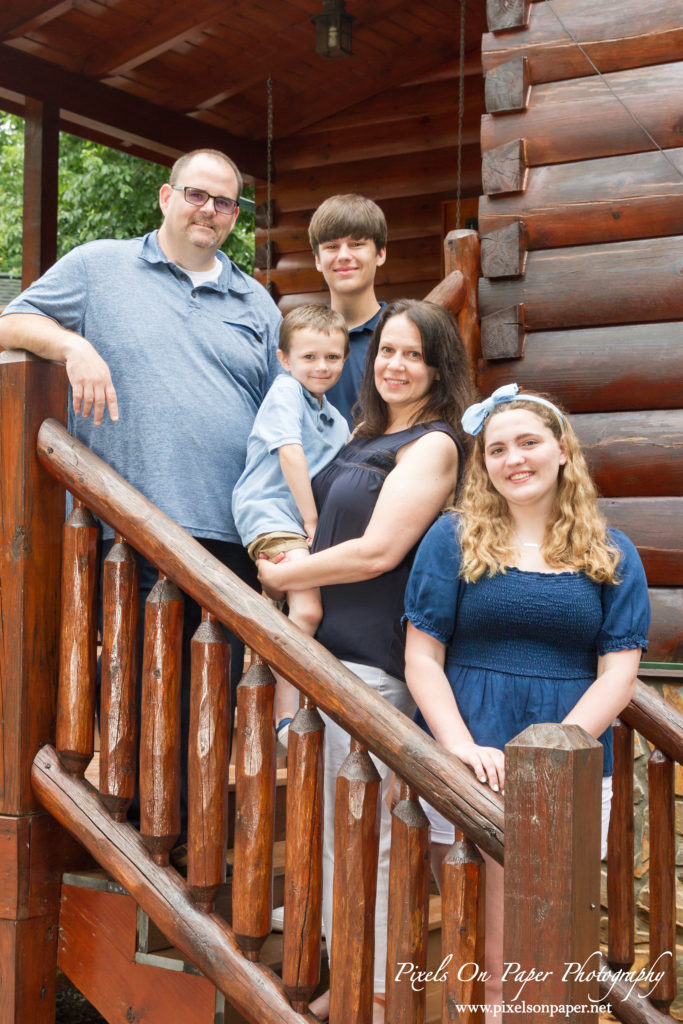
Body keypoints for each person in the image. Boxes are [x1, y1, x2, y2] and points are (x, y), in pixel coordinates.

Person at [0, 148, 283, 825]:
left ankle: (184, 848)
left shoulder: (255, 301)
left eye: (223, 202)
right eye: (196, 195)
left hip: (226, 541)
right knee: (128, 694)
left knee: (205, 708)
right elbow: (9, 322)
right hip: (118, 533)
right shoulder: (100, 267)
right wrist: (72, 346)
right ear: (165, 197)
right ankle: (132, 837)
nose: (208, 210)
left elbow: (280, 420)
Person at [403, 383, 650, 1020]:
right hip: (470, 759)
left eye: (530, 443)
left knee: (546, 948)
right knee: (482, 946)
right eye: (497, 450)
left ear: (562, 450)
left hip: (569, 764)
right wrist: (459, 745)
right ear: (483, 465)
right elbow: (422, 658)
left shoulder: (612, 552)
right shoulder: (451, 538)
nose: (515, 459)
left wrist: (553, 753)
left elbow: (618, 675)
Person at [257, 299, 474, 1022]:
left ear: (439, 366)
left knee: (369, 842)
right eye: (385, 350)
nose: (395, 365)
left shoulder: (434, 445)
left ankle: (377, 996)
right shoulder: (364, 435)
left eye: (413, 354)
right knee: (329, 839)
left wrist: (286, 575)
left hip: (372, 668)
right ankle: (344, 976)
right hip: (327, 663)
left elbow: (379, 551)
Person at [232, 304, 349, 739]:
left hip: (297, 521)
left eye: (332, 357)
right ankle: (284, 716)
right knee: (308, 608)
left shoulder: (335, 419)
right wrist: (314, 520)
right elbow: (289, 452)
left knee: (293, 603)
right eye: (309, 357)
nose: (321, 366)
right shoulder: (284, 392)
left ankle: (268, 609)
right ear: (284, 359)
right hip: (270, 511)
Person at [308, 193, 387, 428]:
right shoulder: (301, 341)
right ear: (318, 260)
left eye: (357, 244)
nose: (343, 256)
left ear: (380, 254)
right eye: (331, 246)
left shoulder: (402, 335)